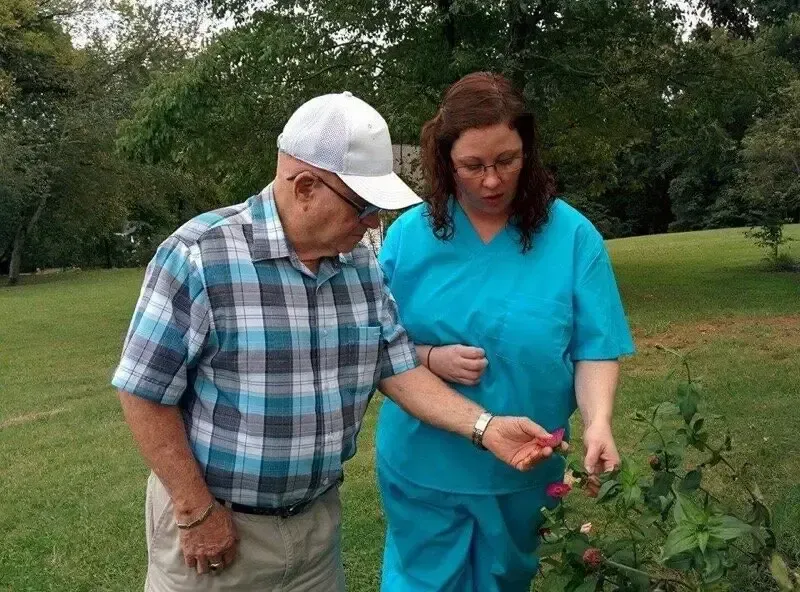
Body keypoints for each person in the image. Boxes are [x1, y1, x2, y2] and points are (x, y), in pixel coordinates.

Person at [112, 90, 560, 592]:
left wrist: (487, 427)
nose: (373, 223)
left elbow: (395, 367)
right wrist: (195, 512)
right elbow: (143, 391)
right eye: (364, 207)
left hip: (317, 532)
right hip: (217, 532)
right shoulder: (199, 256)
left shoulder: (359, 265)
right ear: (304, 187)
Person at [376, 72, 636, 591]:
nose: (491, 181)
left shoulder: (573, 236)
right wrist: (428, 356)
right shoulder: (408, 236)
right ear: (446, 163)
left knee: (505, 579)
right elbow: (373, 343)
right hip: (425, 465)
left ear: (528, 152)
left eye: (506, 161)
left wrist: (598, 421)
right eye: (472, 166)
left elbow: (595, 346)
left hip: (525, 464)